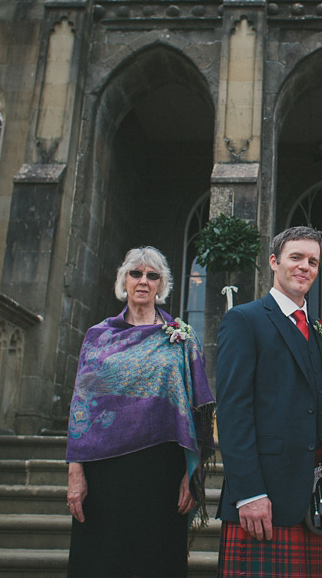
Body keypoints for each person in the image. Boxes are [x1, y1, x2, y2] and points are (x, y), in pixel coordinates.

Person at [65, 246, 215, 577]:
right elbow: (81, 407)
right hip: (106, 473)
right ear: (124, 280)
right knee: (103, 562)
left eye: (152, 275)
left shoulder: (181, 339)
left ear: (162, 285)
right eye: (136, 273)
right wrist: (75, 472)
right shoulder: (98, 337)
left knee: (156, 561)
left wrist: (191, 475)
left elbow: (196, 409)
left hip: (161, 471)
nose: (143, 281)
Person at [215, 226, 322, 577]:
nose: (305, 267)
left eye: (313, 261)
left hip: (315, 496)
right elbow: (232, 411)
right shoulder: (245, 320)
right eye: (296, 257)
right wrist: (249, 492)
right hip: (264, 496)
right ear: (274, 261)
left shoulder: (315, 330)